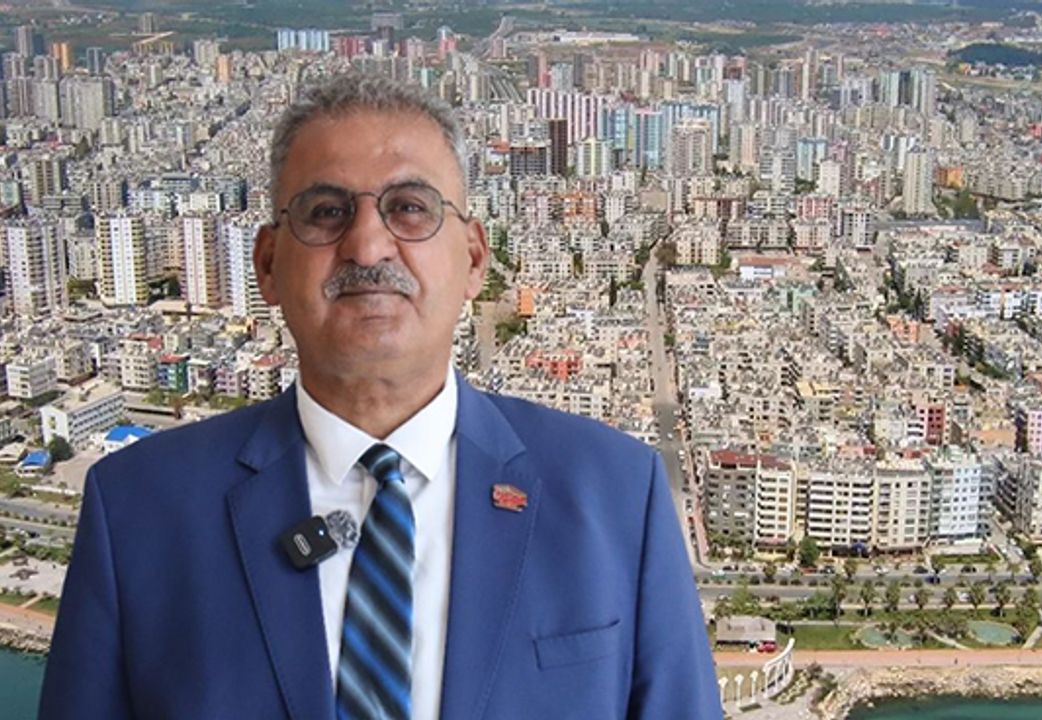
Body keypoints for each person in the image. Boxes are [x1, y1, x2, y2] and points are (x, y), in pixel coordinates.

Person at [40, 73, 721, 720]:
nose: (368, 245)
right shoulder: (138, 513)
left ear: (474, 259)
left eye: (409, 208)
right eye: (327, 212)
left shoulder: (616, 497)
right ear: (268, 265)